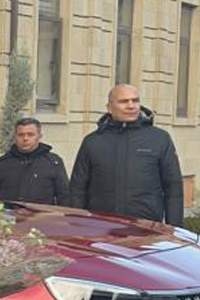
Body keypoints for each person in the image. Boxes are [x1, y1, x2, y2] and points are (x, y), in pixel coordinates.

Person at [68, 84, 183, 225]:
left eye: (135, 100)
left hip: (145, 227)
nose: (131, 106)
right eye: (123, 101)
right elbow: (77, 188)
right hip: (101, 227)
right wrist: (76, 225)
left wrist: (175, 228)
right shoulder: (93, 142)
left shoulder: (159, 139)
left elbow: (173, 187)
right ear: (109, 107)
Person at [0, 117, 69, 204]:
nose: (25, 139)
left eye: (30, 134)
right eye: (21, 135)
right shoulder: (3, 163)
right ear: (15, 137)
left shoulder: (53, 162)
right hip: (10, 216)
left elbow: (64, 196)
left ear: (39, 137)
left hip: (42, 216)